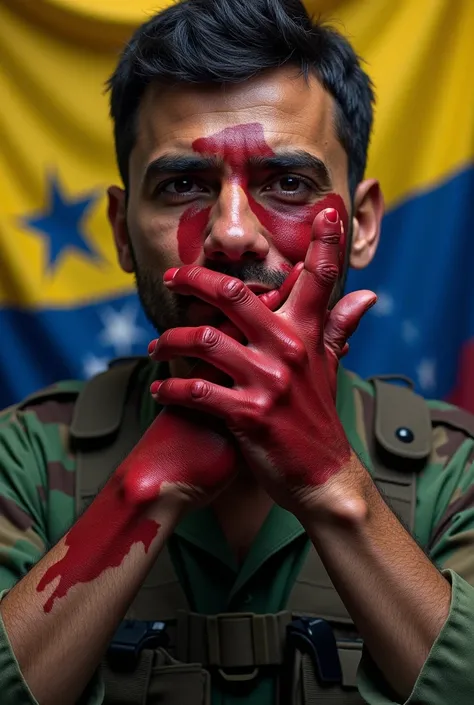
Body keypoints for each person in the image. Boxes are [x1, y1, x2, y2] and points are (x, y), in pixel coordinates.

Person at [1, 1, 474, 704]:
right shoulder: (26, 459)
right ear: (123, 230)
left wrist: (328, 481)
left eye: (287, 183)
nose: (231, 233)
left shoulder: (451, 470)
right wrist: (147, 486)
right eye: (183, 185)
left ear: (363, 225)